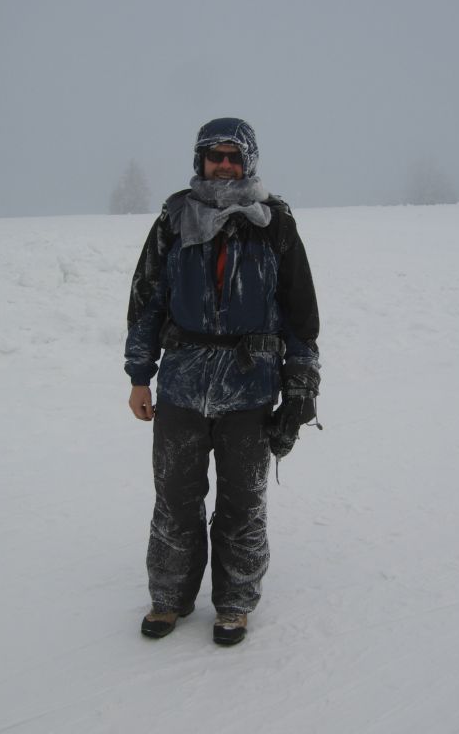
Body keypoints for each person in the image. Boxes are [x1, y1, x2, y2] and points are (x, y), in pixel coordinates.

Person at [125, 117, 320, 646]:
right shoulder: (174, 218)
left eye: (235, 156)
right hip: (183, 385)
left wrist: (301, 384)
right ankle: (169, 598)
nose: (225, 164)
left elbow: (299, 314)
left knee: (243, 504)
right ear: (200, 160)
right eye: (216, 155)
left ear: (249, 160)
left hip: (250, 386)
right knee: (175, 499)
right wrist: (140, 376)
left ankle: (234, 603)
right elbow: (146, 302)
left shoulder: (273, 223)